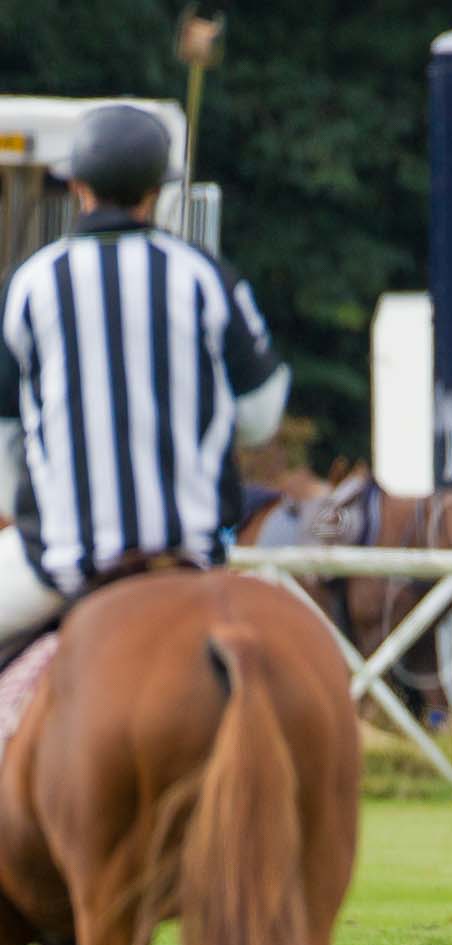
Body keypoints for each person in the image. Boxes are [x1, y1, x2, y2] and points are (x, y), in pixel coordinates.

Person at [0, 103, 288, 656]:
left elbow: (7, 439)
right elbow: (259, 419)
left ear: (78, 186)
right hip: (190, 557)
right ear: (156, 191)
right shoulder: (207, 275)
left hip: (62, 561)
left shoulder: (29, 284)